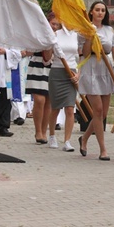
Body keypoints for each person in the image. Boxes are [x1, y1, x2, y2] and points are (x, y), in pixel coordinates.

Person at [78, 1, 114, 161]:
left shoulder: (110, 30)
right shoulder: (84, 29)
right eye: (97, 10)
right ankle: (103, 149)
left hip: (106, 69)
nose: (100, 13)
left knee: (102, 114)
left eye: (103, 10)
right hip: (91, 69)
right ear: (91, 12)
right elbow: (85, 52)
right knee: (97, 110)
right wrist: (89, 36)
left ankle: (84, 138)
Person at [45, 12, 79, 152]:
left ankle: (67, 141)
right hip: (58, 72)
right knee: (55, 107)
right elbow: (47, 57)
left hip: (71, 72)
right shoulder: (56, 34)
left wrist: (78, 74)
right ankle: (52, 135)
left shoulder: (77, 35)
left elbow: (80, 57)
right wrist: (48, 43)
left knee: (70, 108)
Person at [26, 39, 53, 144]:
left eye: (56, 24)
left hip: (53, 66)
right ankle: (38, 131)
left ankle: (44, 131)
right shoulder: (37, 33)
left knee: (48, 101)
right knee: (39, 99)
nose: (54, 26)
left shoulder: (57, 35)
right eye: (52, 24)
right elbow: (28, 50)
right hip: (36, 64)